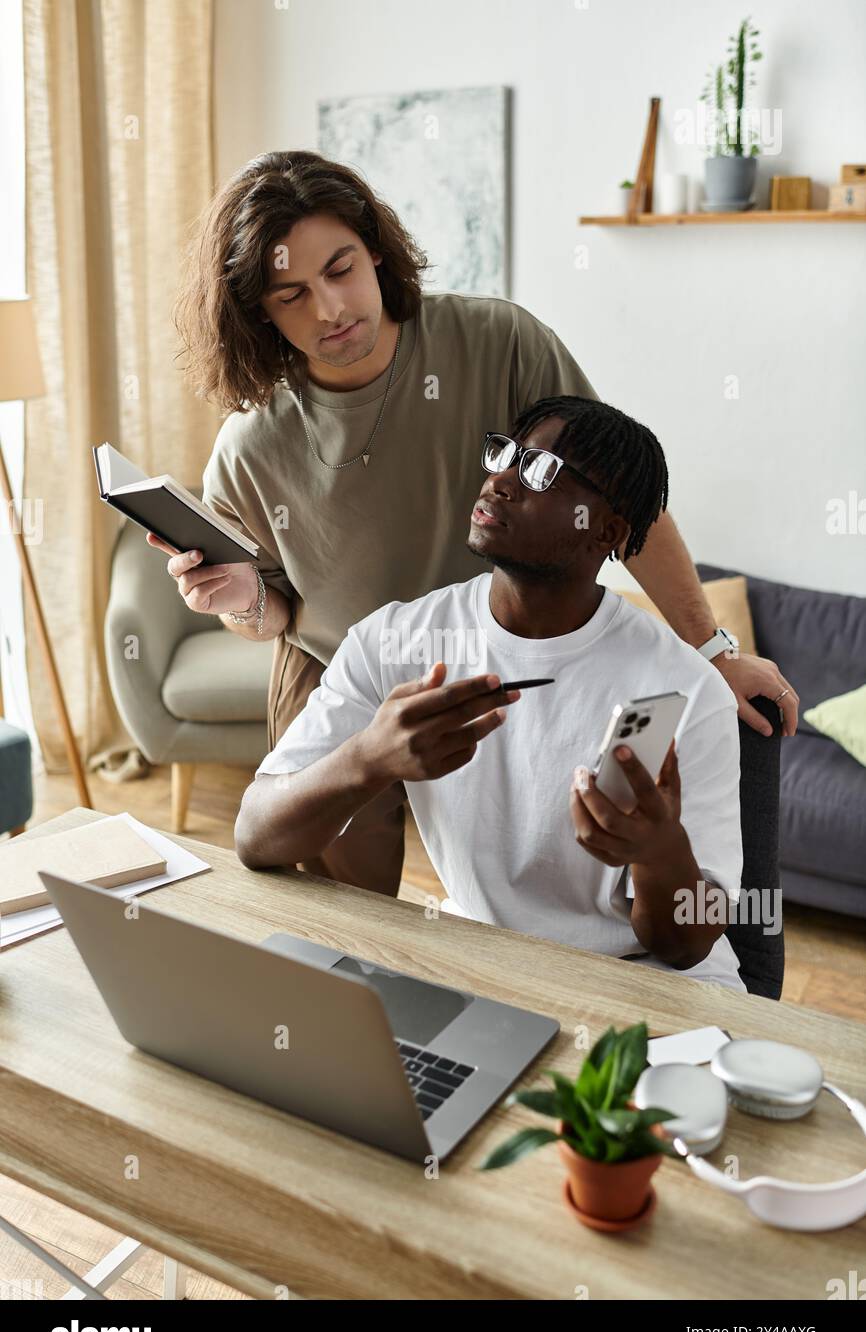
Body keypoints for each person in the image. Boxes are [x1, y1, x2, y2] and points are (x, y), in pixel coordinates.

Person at [149, 149, 797, 897]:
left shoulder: (498, 342)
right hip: (339, 674)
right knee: (343, 920)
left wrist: (711, 652)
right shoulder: (249, 446)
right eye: (290, 293)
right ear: (257, 309)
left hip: (500, 654)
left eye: (341, 268)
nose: (329, 309)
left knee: (523, 891)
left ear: (376, 252)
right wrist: (241, 602)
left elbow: (620, 500)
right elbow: (275, 615)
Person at [233, 396, 746, 992]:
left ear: (606, 532)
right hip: (490, 968)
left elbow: (685, 945)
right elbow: (254, 835)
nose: (501, 480)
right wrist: (369, 759)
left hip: (649, 985)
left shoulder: (688, 688)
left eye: (540, 471)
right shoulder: (394, 642)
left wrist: (659, 854)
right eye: (505, 454)